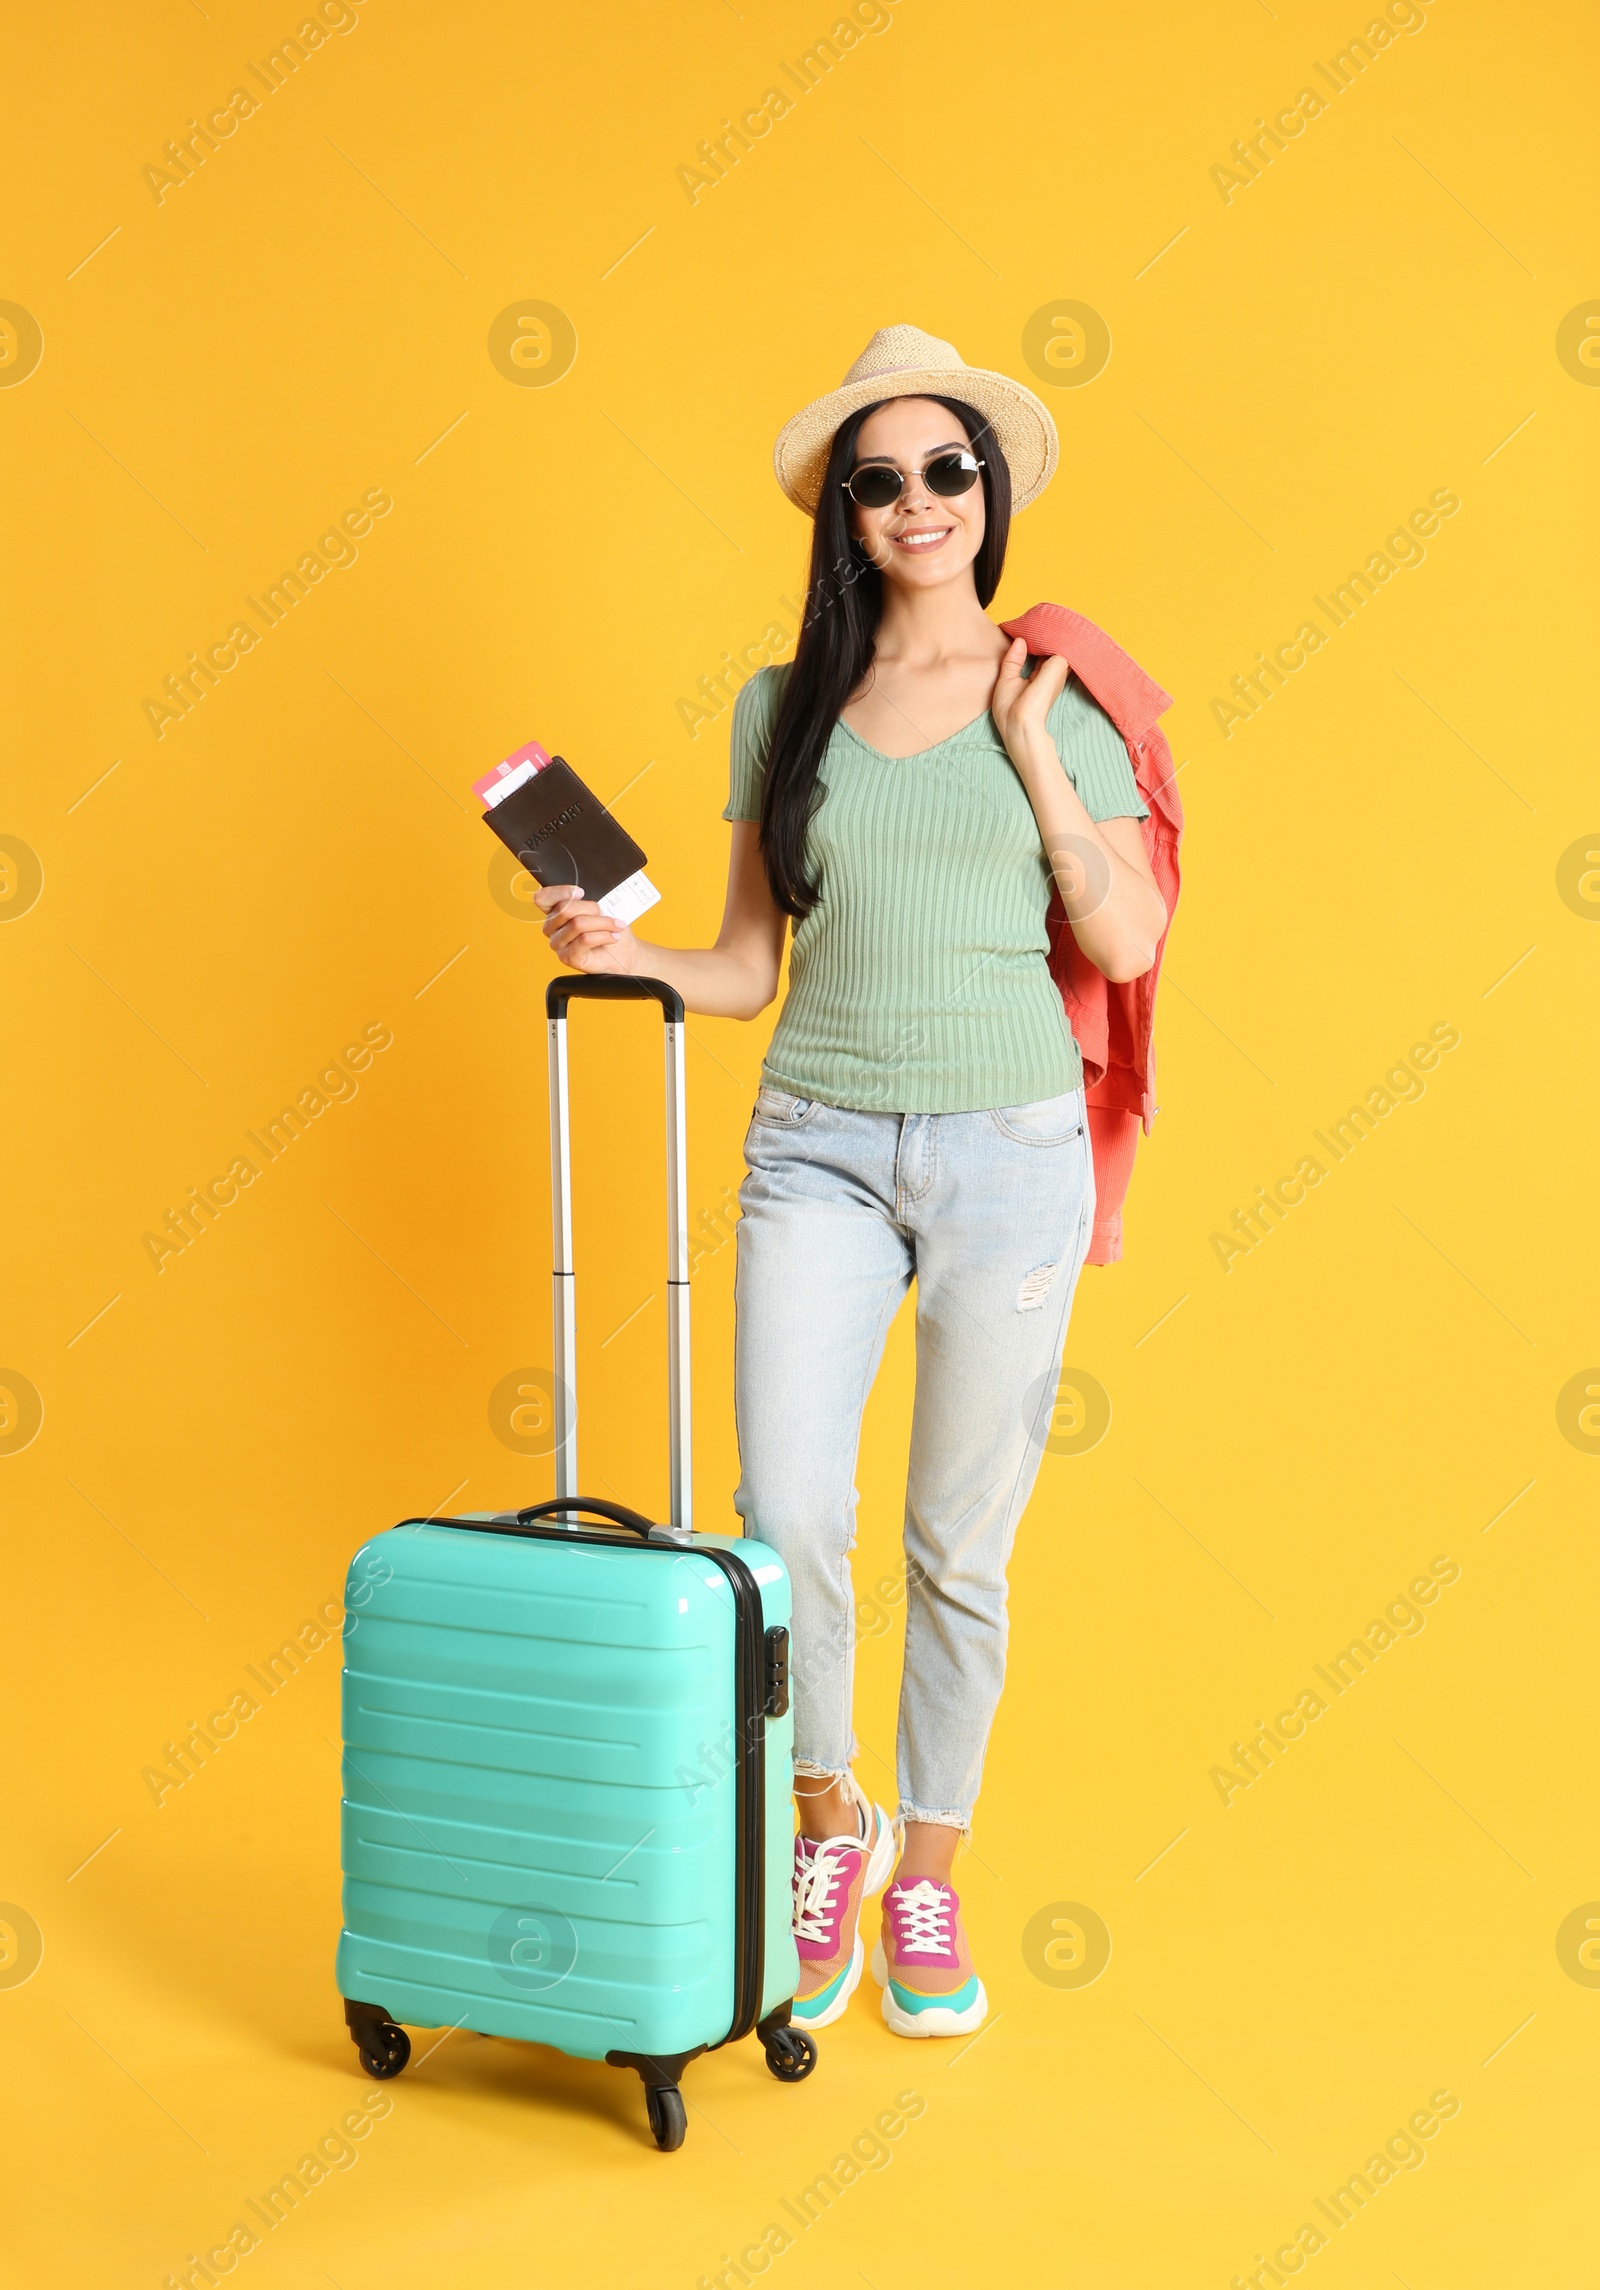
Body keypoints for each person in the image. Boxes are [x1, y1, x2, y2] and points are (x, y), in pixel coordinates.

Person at [539, 325, 1167, 2040]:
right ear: (845, 514)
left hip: (1007, 1154)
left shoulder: (1064, 698)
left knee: (960, 1544)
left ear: (989, 492)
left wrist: (1037, 756)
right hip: (814, 1142)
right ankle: (830, 1822)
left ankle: (932, 1876)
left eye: (946, 469)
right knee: (786, 1509)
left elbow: (1122, 932)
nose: (916, 501)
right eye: (879, 479)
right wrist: (627, 949)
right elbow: (750, 962)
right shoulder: (782, 707)